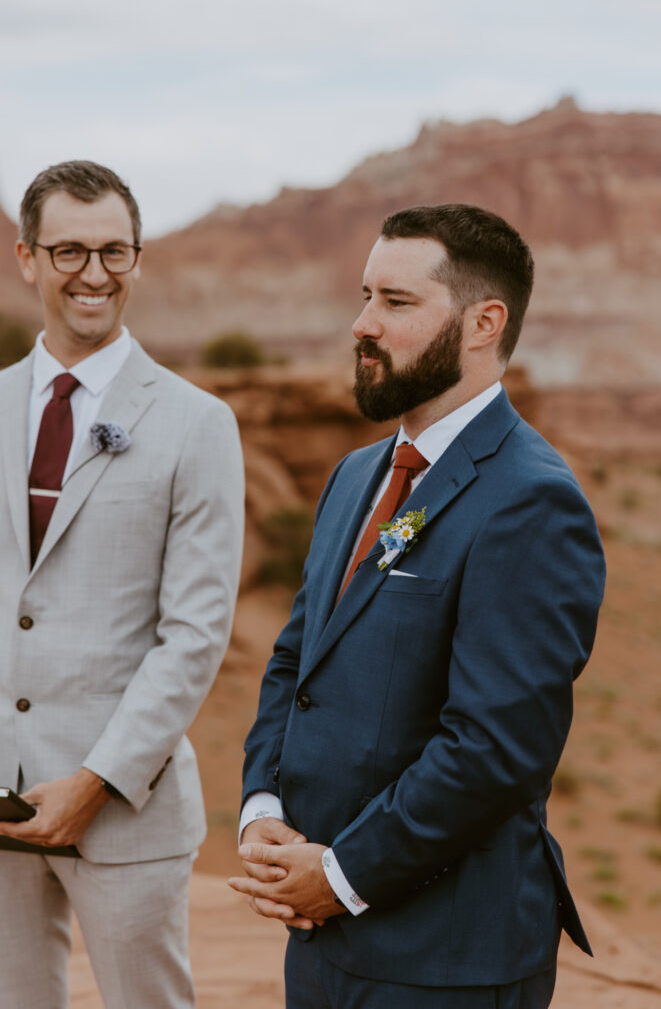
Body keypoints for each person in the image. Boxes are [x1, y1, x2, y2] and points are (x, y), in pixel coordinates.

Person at [229, 204, 605, 1008]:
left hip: (446, 958)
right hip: (322, 940)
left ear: (483, 322)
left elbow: (495, 747)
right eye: (365, 296)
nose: (363, 324)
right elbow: (298, 660)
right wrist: (263, 807)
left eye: (396, 304)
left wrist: (340, 874)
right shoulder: (355, 476)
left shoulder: (531, 502)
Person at [0, 160, 244, 1009]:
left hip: (124, 812)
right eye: (69, 252)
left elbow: (197, 631)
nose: (94, 275)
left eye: (114, 252)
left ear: (138, 260)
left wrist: (95, 780)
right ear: (26, 257)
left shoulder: (197, 424)